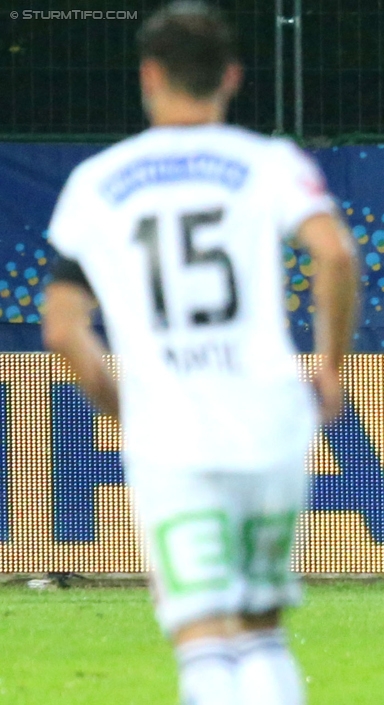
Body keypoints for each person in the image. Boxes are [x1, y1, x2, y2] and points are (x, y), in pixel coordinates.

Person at [40, 3, 359, 703]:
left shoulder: (98, 182)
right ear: (233, 77)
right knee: (260, 629)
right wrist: (331, 364)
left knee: (204, 637)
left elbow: (63, 326)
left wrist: (124, 408)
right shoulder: (267, 162)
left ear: (149, 75)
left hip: (170, 431)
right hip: (269, 418)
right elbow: (333, 252)